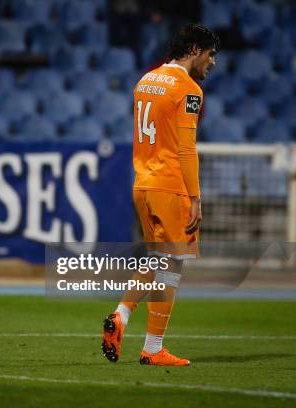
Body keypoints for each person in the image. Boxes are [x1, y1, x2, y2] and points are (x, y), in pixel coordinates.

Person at [102, 24, 219, 366]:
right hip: (170, 186)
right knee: (171, 267)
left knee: (155, 261)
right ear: (195, 49)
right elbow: (186, 148)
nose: (211, 63)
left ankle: (122, 316)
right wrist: (195, 197)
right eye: (211, 55)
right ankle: (153, 349)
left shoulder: (146, 80)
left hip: (143, 184)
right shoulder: (189, 88)